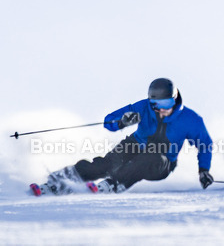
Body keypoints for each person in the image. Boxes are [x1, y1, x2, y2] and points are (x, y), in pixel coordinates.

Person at [38, 78, 214, 194]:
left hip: (161, 161)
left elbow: (204, 144)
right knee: (105, 165)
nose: (161, 109)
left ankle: (115, 184)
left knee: (147, 159)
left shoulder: (190, 119)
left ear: (175, 99)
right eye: (155, 103)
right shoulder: (143, 107)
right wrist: (122, 122)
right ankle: (65, 178)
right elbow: (109, 121)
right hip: (135, 144)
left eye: (166, 103)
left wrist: (203, 170)